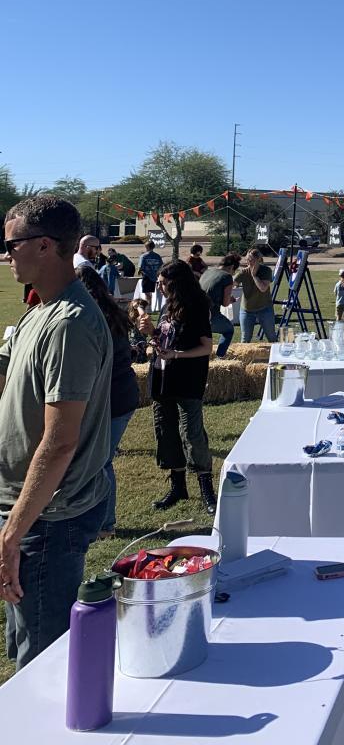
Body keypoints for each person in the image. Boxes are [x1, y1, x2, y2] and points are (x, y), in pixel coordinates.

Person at [0, 195, 112, 669]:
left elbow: (60, 441)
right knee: (22, 640)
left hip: (46, 520)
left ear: (45, 246)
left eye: (12, 244)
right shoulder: (40, 310)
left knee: (41, 663)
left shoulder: (70, 323)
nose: (6, 254)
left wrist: (12, 535)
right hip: (29, 512)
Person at [136, 260, 217, 515]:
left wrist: (177, 355)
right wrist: (151, 332)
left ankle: (207, 489)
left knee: (192, 433)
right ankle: (178, 486)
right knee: (166, 431)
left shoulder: (196, 306)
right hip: (162, 378)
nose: (159, 287)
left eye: (163, 283)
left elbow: (206, 347)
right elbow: (164, 340)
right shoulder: (167, 305)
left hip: (187, 379)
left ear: (176, 282)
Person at [76, 267, 140, 539]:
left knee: (100, 463)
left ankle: (105, 524)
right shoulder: (112, 312)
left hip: (111, 398)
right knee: (100, 461)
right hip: (123, 394)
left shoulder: (92, 318)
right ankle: (99, 521)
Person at [199, 252, 241, 358]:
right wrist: (231, 300)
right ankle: (220, 356)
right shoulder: (227, 277)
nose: (233, 274)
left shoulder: (208, 271)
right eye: (234, 271)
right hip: (210, 315)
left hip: (195, 312)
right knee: (229, 330)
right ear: (232, 267)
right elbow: (225, 303)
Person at [234, 248, 276, 343]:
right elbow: (231, 284)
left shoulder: (266, 270)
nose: (248, 262)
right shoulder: (243, 272)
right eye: (247, 260)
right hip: (247, 310)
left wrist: (254, 276)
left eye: (251, 260)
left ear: (259, 260)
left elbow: (263, 288)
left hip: (265, 308)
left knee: (271, 337)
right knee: (245, 339)